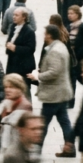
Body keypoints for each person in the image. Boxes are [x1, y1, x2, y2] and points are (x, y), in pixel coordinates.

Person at [30, 25, 75, 156]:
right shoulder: (60, 46)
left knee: (43, 123)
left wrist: (38, 76)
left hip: (54, 93)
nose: (44, 36)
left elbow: (54, 72)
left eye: (45, 34)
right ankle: (70, 148)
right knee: (64, 121)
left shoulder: (55, 50)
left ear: (49, 35)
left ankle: (36, 151)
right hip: (60, 92)